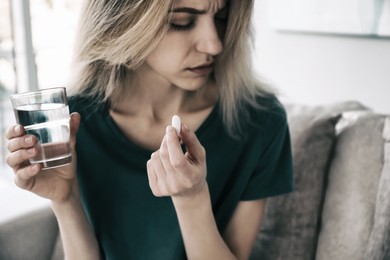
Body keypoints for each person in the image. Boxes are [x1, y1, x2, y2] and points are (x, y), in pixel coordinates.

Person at [5, 0, 293, 259]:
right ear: (126, 18)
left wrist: (192, 200)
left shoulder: (260, 121)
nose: (214, 44)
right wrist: (64, 199)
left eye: (222, 17)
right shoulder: (73, 122)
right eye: (182, 21)